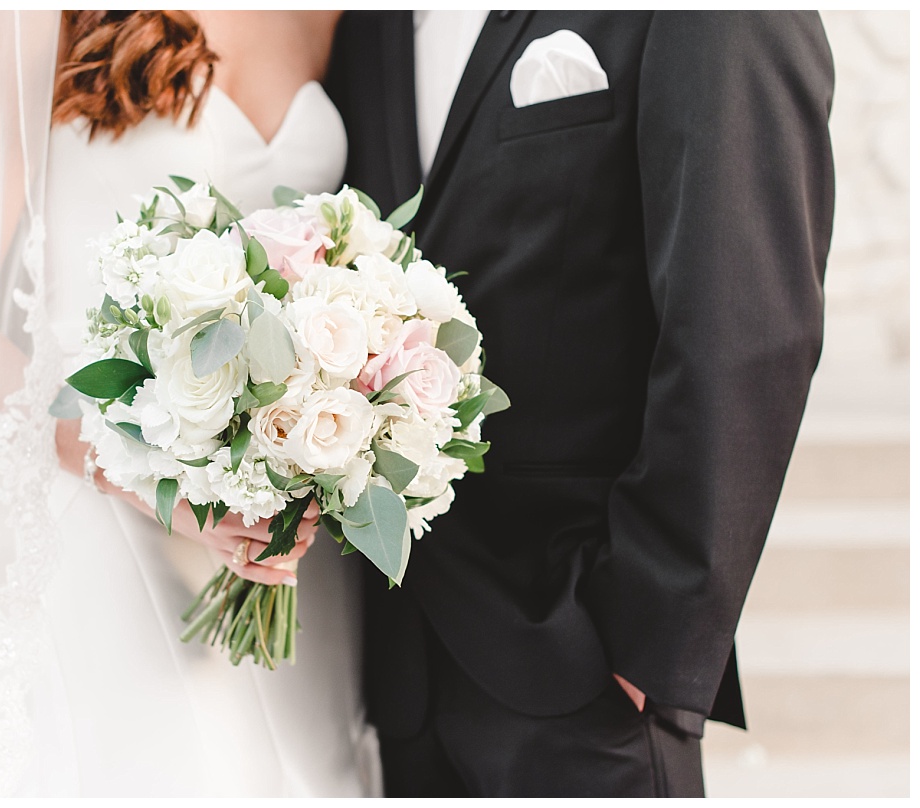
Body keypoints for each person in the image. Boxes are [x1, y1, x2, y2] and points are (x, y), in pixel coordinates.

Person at [0, 10, 377, 797]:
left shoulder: (331, 16)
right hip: (105, 510)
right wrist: (140, 471)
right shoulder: (32, 20)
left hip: (286, 535)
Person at [326, 10, 835, 797]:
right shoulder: (366, 22)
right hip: (398, 671)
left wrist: (647, 637)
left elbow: (745, 329)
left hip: (583, 662)